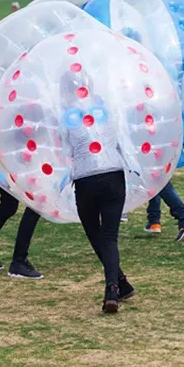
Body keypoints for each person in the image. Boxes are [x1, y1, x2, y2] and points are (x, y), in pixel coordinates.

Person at [63, 74, 135, 314]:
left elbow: (63, 151)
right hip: (114, 174)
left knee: (96, 234)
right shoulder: (107, 109)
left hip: (86, 180)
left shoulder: (66, 117)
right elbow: (122, 139)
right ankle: (118, 285)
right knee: (109, 237)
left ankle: (114, 288)